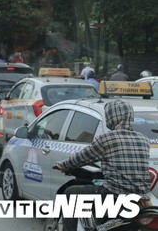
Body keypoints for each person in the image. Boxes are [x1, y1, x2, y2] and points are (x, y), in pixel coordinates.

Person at [55, 99, 150, 231]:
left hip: (114, 194)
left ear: (110, 117)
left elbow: (81, 158)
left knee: (71, 192)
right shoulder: (143, 139)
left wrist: (64, 165)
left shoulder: (107, 139)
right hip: (141, 197)